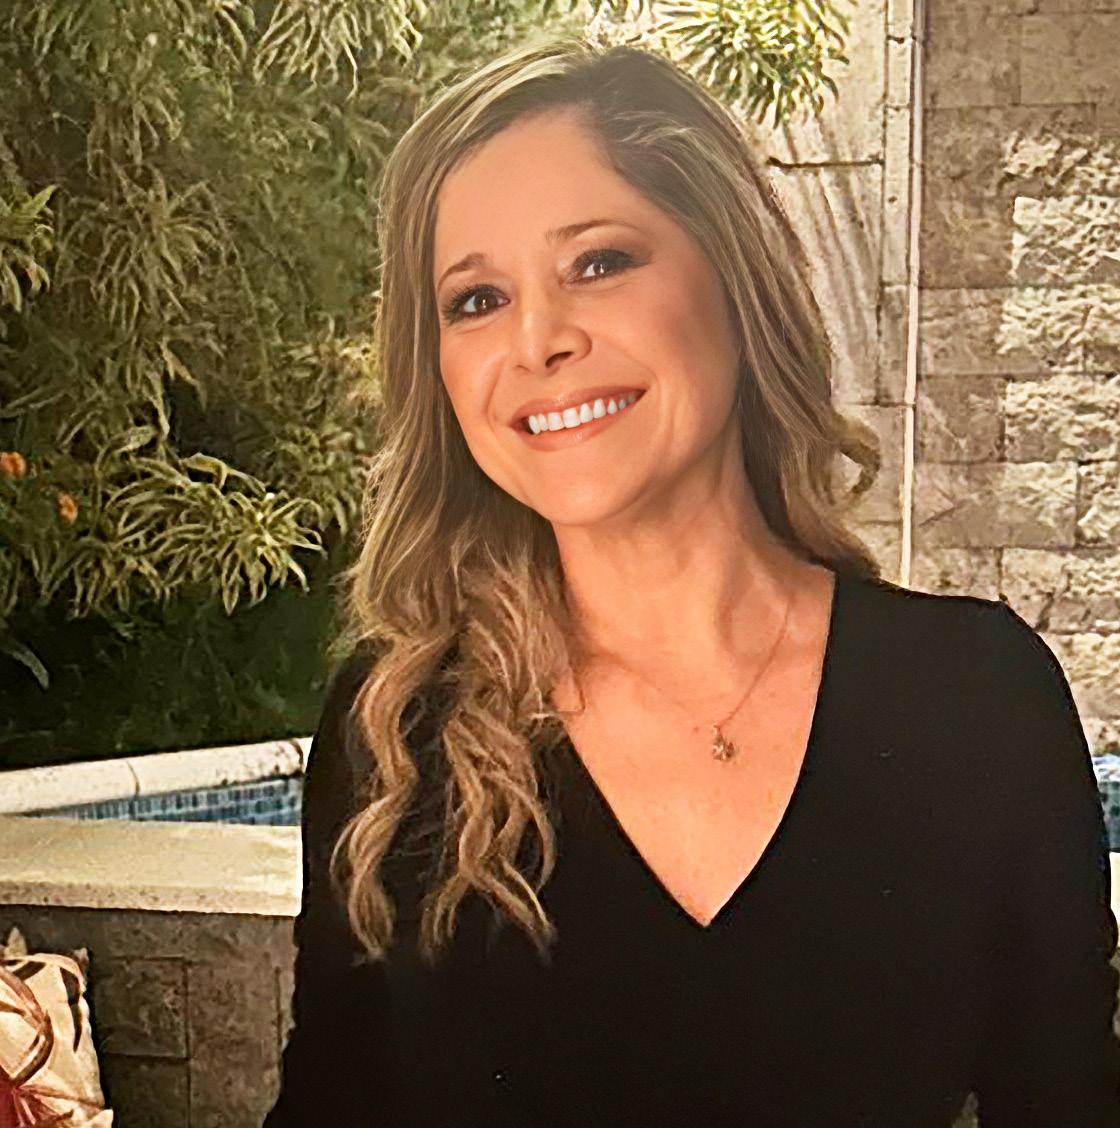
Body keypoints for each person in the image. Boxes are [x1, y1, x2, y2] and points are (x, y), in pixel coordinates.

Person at [262, 32, 1120, 1127]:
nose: (537, 340)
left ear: (732, 277)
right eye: (475, 299)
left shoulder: (975, 699)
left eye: (598, 262)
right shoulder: (396, 734)